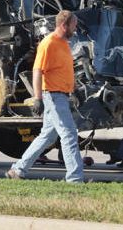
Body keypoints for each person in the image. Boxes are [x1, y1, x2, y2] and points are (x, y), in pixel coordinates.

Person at [6, 10, 85, 183]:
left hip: (61, 95)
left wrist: (75, 88)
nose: (76, 28)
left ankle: (17, 170)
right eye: (74, 25)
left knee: (47, 137)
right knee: (69, 134)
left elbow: (65, 71)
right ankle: (75, 179)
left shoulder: (64, 44)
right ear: (64, 25)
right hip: (53, 96)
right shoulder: (48, 43)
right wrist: (38, 98)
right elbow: (37, 71)